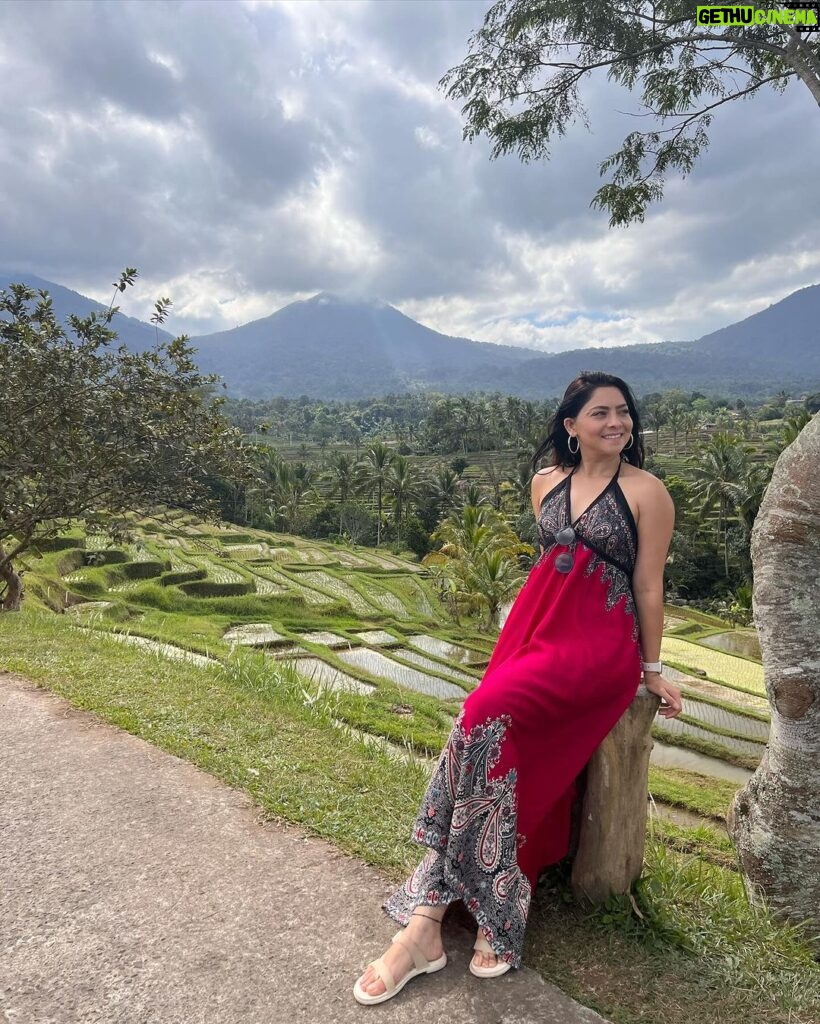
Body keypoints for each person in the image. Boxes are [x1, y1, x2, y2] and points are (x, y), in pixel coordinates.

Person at [353, 371, 683, 1005]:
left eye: (624, 413)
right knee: (481, 719)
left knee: (486, 715)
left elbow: (647, 586)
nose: (616, 423)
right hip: (536, 630)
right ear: (571, 425)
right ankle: (434, 922)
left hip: (597, 647)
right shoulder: (545, 485)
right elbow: (549, 566)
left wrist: (650, 668)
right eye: (601, 414)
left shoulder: (647, 492)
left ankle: (453, 914)